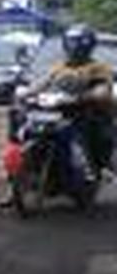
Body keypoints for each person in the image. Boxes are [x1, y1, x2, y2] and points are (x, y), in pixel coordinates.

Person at [26, 24, 115, 173]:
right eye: (71, 42)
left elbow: (103, 89)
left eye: (78, 42)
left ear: (88, 45)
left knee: (100, 134)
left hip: (88, 111)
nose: (74, 47)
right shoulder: (59, 67)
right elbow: (43, 82)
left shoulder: (98, 67)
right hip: (62, 112)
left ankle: (101, 167)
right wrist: (27, 93)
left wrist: (86, 96)